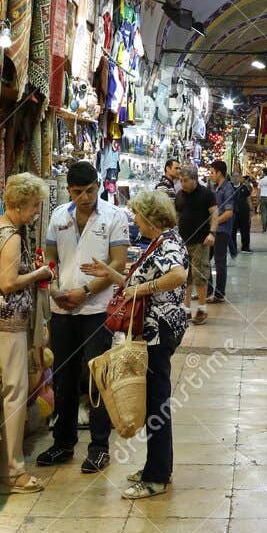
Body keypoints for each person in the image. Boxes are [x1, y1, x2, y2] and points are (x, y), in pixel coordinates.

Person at [80, 188, 189, 500]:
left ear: (151, 218)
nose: (135, 222)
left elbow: (177, 275)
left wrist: (144, 289)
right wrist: (112, 273)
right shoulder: (159, 242)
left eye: (138, 217)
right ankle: (156, 466)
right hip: (153, 333)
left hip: (158, 334)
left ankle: (156, 477)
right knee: (155, 401)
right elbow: (135, 281)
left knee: (157, 403)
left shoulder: (167, 243)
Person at [37, 161, 128, 474]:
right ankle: (63, 443)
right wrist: (55, 287)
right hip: (63, 309)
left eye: (90, 190)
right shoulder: (59, 216)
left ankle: (99, 447)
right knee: (63, 377)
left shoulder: (115, 217)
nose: (86, 197)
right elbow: (49, 257)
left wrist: (87, 291)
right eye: (78, 192)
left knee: (96, 380)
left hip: (97, 310)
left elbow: (119, 263)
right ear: (69, 190)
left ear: (99, 184)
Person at [0, 174, 53, 493]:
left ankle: (0, 467)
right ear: (18, 205)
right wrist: (38, 274)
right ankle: (12, 472)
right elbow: (7, 283)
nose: (35, 213)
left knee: (1, 392)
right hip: (4, 323)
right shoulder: (12, 237)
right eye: (33, 207)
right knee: (14, 392)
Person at [175, 163, 217, 324]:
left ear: (194, 179)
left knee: (200, 274)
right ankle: (185, 309)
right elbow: (177, 216)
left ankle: (202, 308)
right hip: (183, 241)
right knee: (186, 276)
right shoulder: (179, 195)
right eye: (181, 180)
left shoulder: (206, 194)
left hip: (201, 241)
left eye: (185, 180)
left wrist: (212, 233)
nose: (182, 183)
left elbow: (215, 214)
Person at [208, 160, 235, 301]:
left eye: (212, 172)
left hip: (222, 231)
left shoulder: (228, 188)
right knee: (205, 260)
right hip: (213, 231)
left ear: (219, 172)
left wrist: (214, 222)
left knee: (219, 261)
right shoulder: (214, 187)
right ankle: (206, 291)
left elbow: (229, 212)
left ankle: (219, 294)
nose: (210, 175)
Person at [235, 173, 253, 253]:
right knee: (232, 230)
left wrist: (251, 210)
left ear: (240, 178)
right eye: (234, 177)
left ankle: (245, 247)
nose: (235, 178)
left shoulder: (244, 187)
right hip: (233, 211)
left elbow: (248, 199)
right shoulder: (229, 188)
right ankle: (233, 248)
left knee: (245, 229)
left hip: (244, 211)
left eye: (237, 176)